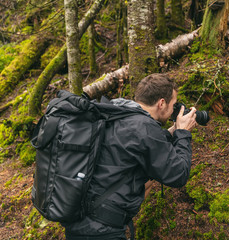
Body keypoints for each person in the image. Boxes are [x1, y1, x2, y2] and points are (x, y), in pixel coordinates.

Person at [63, 73, 197, 239]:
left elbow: (134, 146)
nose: (173, 111)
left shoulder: (115, 112)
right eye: (174, 105)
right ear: (161, 103)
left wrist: (171, 133)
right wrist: (183, 134)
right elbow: (178, 174)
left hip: (78, 221)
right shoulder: (145, 128)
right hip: (102, 231)